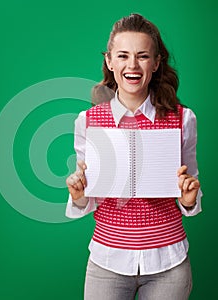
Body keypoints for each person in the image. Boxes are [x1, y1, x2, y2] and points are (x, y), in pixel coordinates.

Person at [65, 13, 202, 300]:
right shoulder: (88, 121)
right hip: (107, 262)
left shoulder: (182, 118)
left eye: (142, 56)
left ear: (156, 63)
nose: (132, 65)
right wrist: (78, 192)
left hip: (169, 263)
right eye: (123, 55)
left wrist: (189, 198)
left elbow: (189, 193)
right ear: (110, 61)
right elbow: (86, 200)